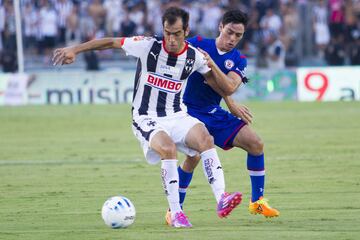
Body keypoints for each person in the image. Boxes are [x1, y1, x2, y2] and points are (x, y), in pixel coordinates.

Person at [52, 7, 242, 228]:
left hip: (177, 115)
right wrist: (75, 49)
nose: (171, 39)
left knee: (206, 140)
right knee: (168, 149)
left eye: (177, 33)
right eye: (168, 32)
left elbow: (216, 83)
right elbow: (111, 42)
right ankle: (176, 213)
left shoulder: (194, 56)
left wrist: (231, 102)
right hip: (146, 117)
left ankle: (221, 199)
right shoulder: (147, 45)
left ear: (187, 31)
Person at [165, 9, 279, 225]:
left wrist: (229, 100)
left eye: (238, 36)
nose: (232, 39)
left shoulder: (239, 59)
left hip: (212, 111)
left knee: (256, 144)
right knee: (194, 157)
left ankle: (257, 201)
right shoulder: (198, 43)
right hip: (186, 110)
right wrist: (231, 102)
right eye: (229, 33)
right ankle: (174, 210)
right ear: (220, 27)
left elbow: (229, 86)